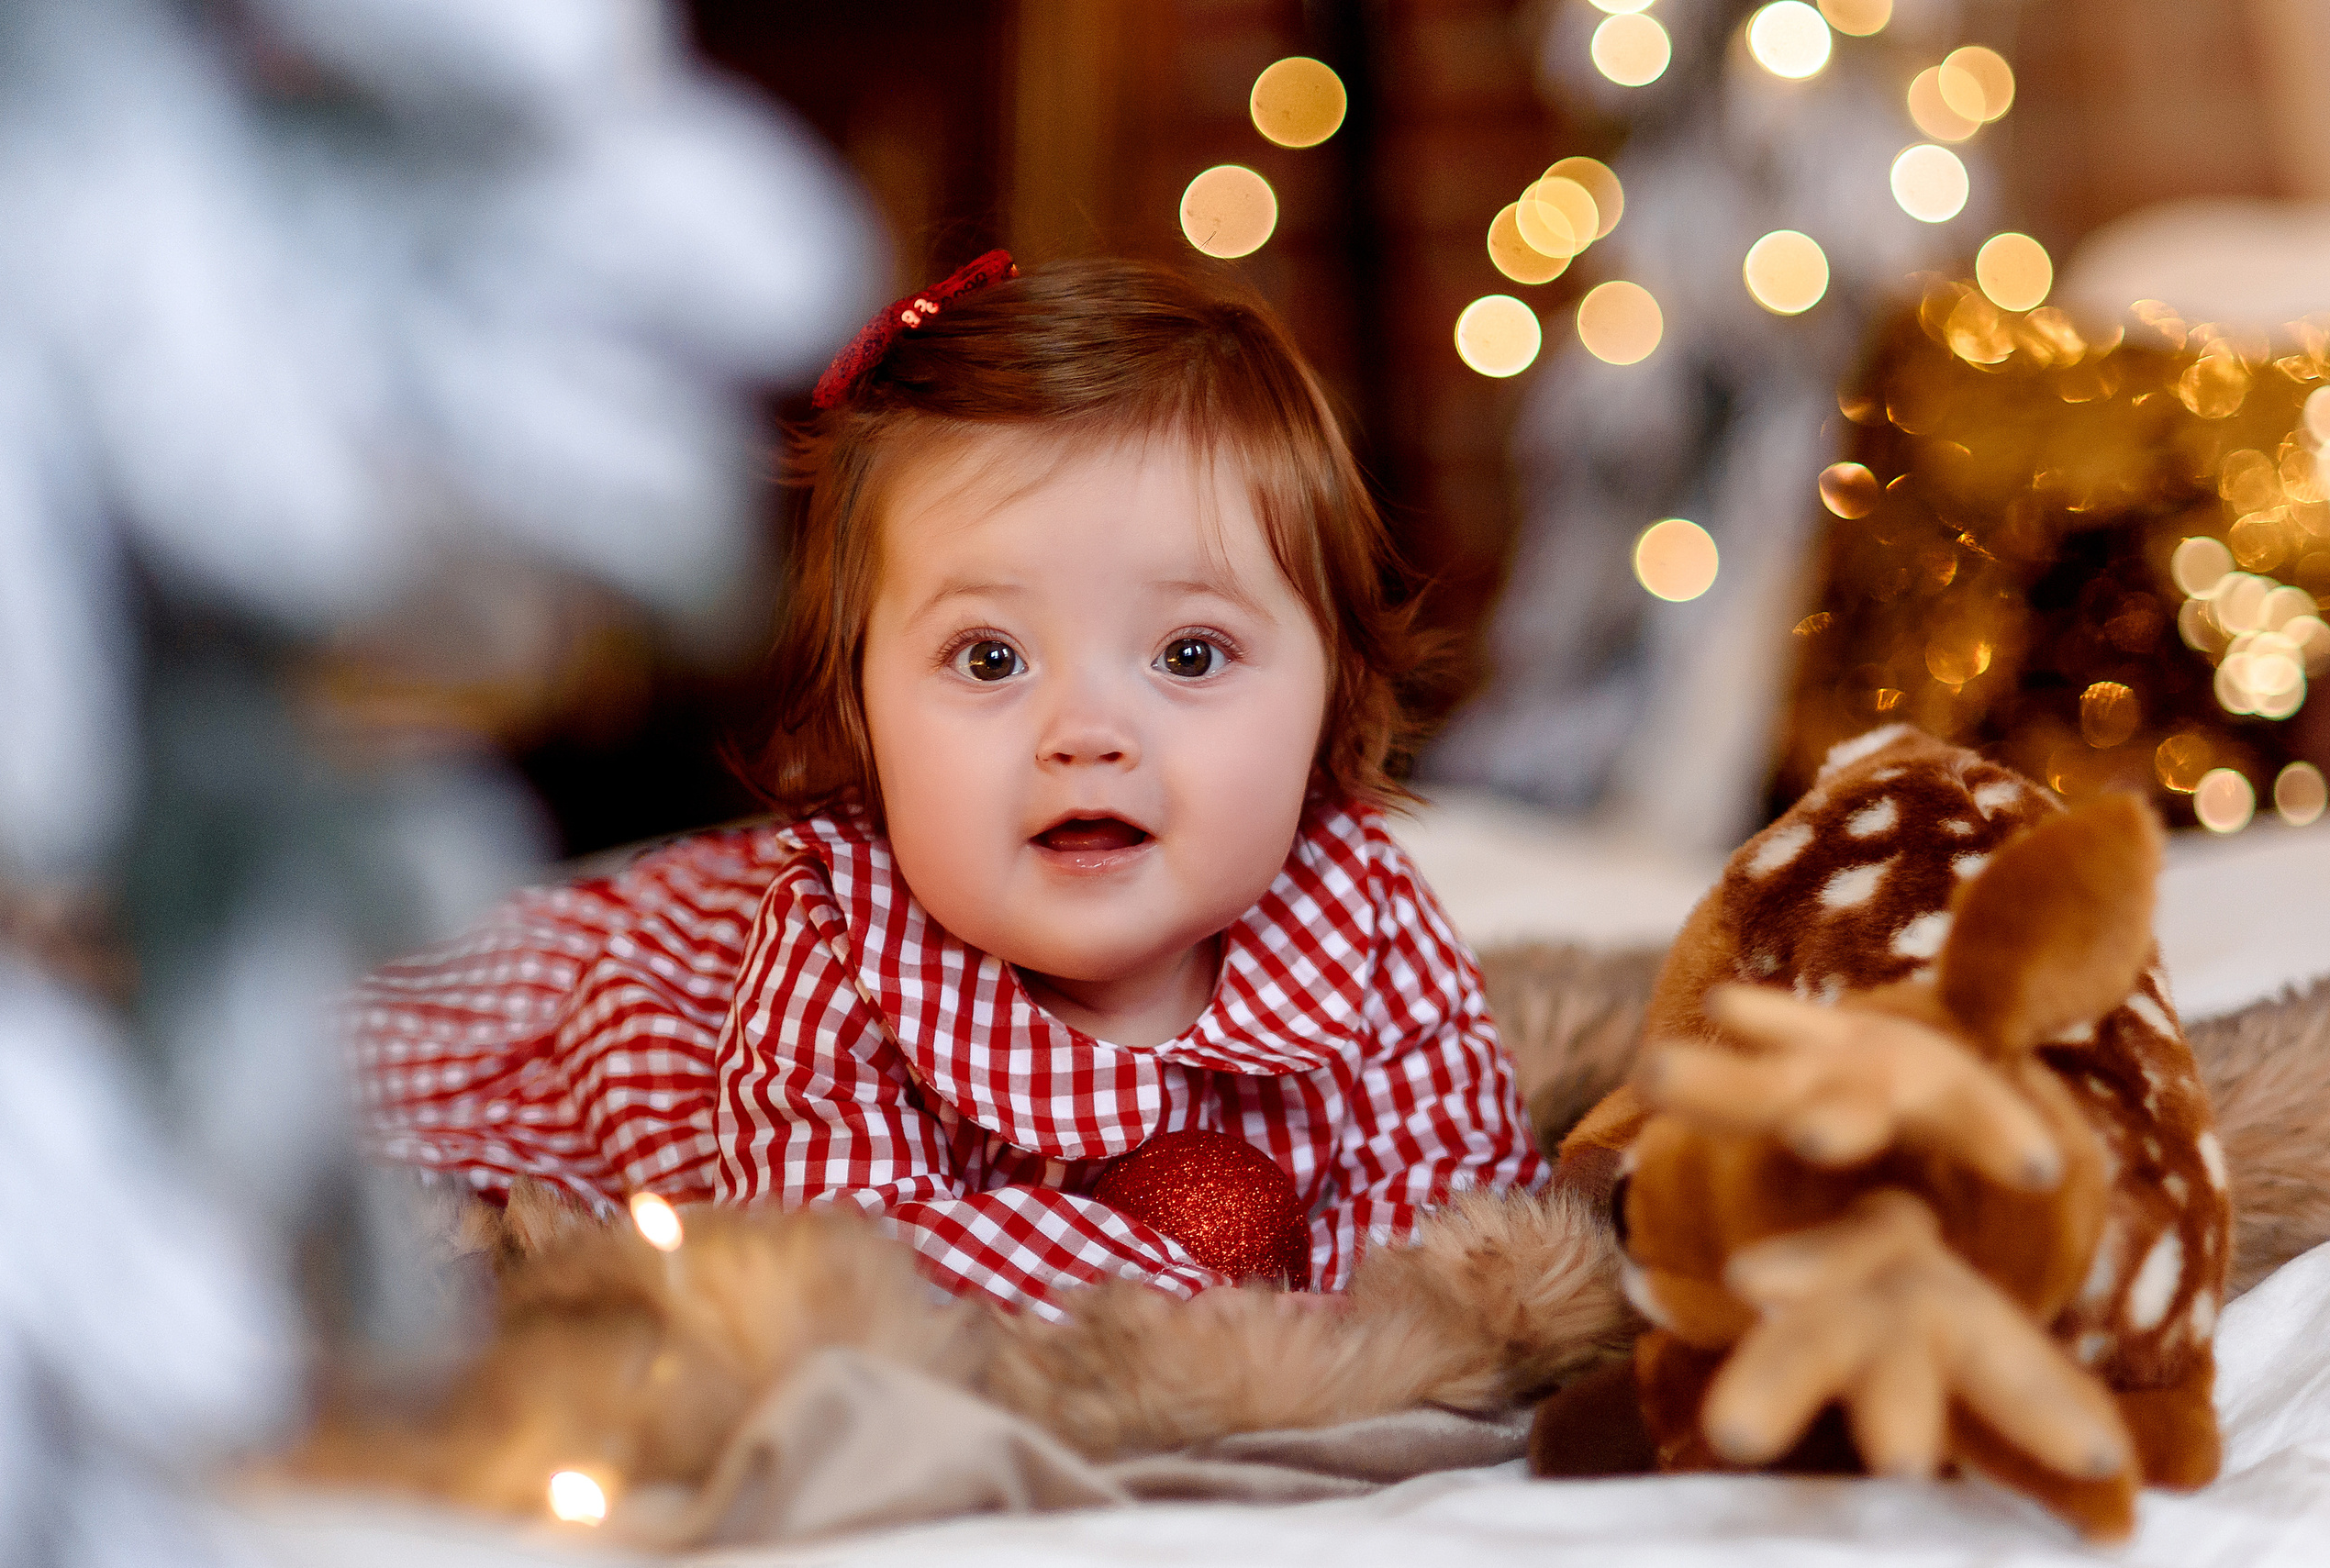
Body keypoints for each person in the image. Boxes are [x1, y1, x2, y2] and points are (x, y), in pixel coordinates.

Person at [352, 253, 1543, 1316]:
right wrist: (1172, 1284)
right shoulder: (842, 941)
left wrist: (1311, 1314)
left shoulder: (1365, 921)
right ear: (861, 711)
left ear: (1330, 697)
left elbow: (1462, 1227)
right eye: (990, 657)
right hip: (613, 1012)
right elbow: (835, 1263)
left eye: (1189, 654)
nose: (1085, 733)